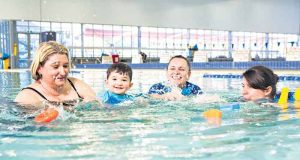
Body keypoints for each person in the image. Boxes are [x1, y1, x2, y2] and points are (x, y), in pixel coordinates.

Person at [15, 41, 96, 107]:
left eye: (65, 66)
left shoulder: (75, 84)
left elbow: (96, 106)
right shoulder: (27, 97)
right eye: (55, 67)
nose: (63, 72)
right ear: (39, 68)